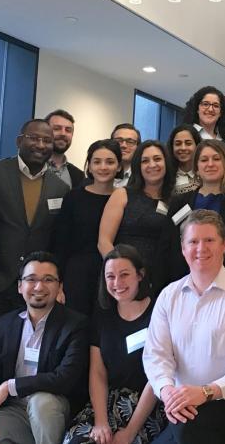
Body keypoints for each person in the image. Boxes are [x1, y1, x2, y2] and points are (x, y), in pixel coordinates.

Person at [0, 119, 71, 434]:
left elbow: (56, 240)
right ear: (19, 140)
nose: (40, 145)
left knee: (22, 363)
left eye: (47, 141)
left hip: (35, 294)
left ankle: (9, 427)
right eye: (34, 138)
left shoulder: (60, 188)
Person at [143, 210, 225, 443]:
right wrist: (167, 391)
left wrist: (206, 392)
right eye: (193, 242)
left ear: (224, 245)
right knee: (185, 428)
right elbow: (156, 355)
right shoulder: (169, 296)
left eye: (209, 240)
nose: (201, 248)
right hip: (182, 405)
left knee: (187, 430)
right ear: (183, 249)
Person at [0, 251, 89, 444]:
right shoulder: (5, 324)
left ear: (60, 287)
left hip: (55, 412)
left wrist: (10, 386)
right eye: (31, 279)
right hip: (16, 411)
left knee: (41, 403)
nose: (39, 286)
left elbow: (64, 379)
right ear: (20, 286)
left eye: (48, 279)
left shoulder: (75, 325)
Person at [62, 246, 166, 444]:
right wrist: (101, 422)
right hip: (106, 403)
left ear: (140, 275)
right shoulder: (102, 315)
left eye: (124, 274)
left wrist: (129, 432)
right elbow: (97, 372)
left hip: (147, 407)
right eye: (110, 276)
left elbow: (159, 375)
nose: (117, 283)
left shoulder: (159, 312)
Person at [51, 139, 121, 317]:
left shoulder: (125, 199)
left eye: (110, 162)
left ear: (119, 167)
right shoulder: (73, 198)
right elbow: (61, 243)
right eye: (97, 162)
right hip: (77, 274)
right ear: (89, 166)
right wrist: (58, 283)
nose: (103, 167)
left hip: (112, 274)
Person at [98, 140, 175, 297]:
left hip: (161, 280)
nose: (152, 165)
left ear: (166, 163)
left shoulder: (175, 201)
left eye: (157, 159)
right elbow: (104, 242)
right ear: (137, 166)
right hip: (123, 281)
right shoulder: (122, 194)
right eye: (145, 161)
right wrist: (121, 273)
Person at [167, 140, 225, 280]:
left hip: (224, 283)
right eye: (204, 160)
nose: (210, 164)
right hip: (181, 281)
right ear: (196, 167)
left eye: (216, 159)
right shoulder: (179, 203)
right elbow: (167, 244)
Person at [44, 109, 84, 189]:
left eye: (68, 130)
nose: (63, 133)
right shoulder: (30, 167)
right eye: (57, 128)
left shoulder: (79, 175)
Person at [168, 124, 200, 196]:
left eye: (188, 143)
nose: (183, 148)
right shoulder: (166, 176)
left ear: (197, 145)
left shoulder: (205, 174)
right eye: (178, 144)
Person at [111, 124, 141, 188]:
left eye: (130, 142)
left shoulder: (143, 177)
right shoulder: (98, 171)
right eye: (118, 141)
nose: (123, 145)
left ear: (138, 147)